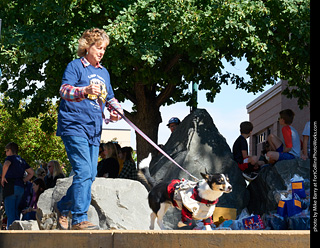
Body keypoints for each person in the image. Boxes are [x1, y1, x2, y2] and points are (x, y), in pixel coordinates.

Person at [55, 28, 123, 230]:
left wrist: (116, 111)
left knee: (91, 174)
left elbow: (110, 98)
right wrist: (84, 90)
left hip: (94, 130)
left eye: (104, 49)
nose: (102, 52)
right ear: (87, 46)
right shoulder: (75, 66)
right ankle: (78, 218)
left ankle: (63, 206)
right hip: (73, 125)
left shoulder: (104, 73)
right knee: (84, 171)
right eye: (98, 47)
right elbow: (64, 90)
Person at [1, 142, 34, 229]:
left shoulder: (10, 158)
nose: (6, 153)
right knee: (16, 211)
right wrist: (23, 180)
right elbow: (31, 173)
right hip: (20, 187)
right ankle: (18, 230)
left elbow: (6, 164)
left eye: (6, 151)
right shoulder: (22, 160)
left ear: (10, 150)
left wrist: (3, 177)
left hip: (10, 187)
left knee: (10, 212)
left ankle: (12, 233)